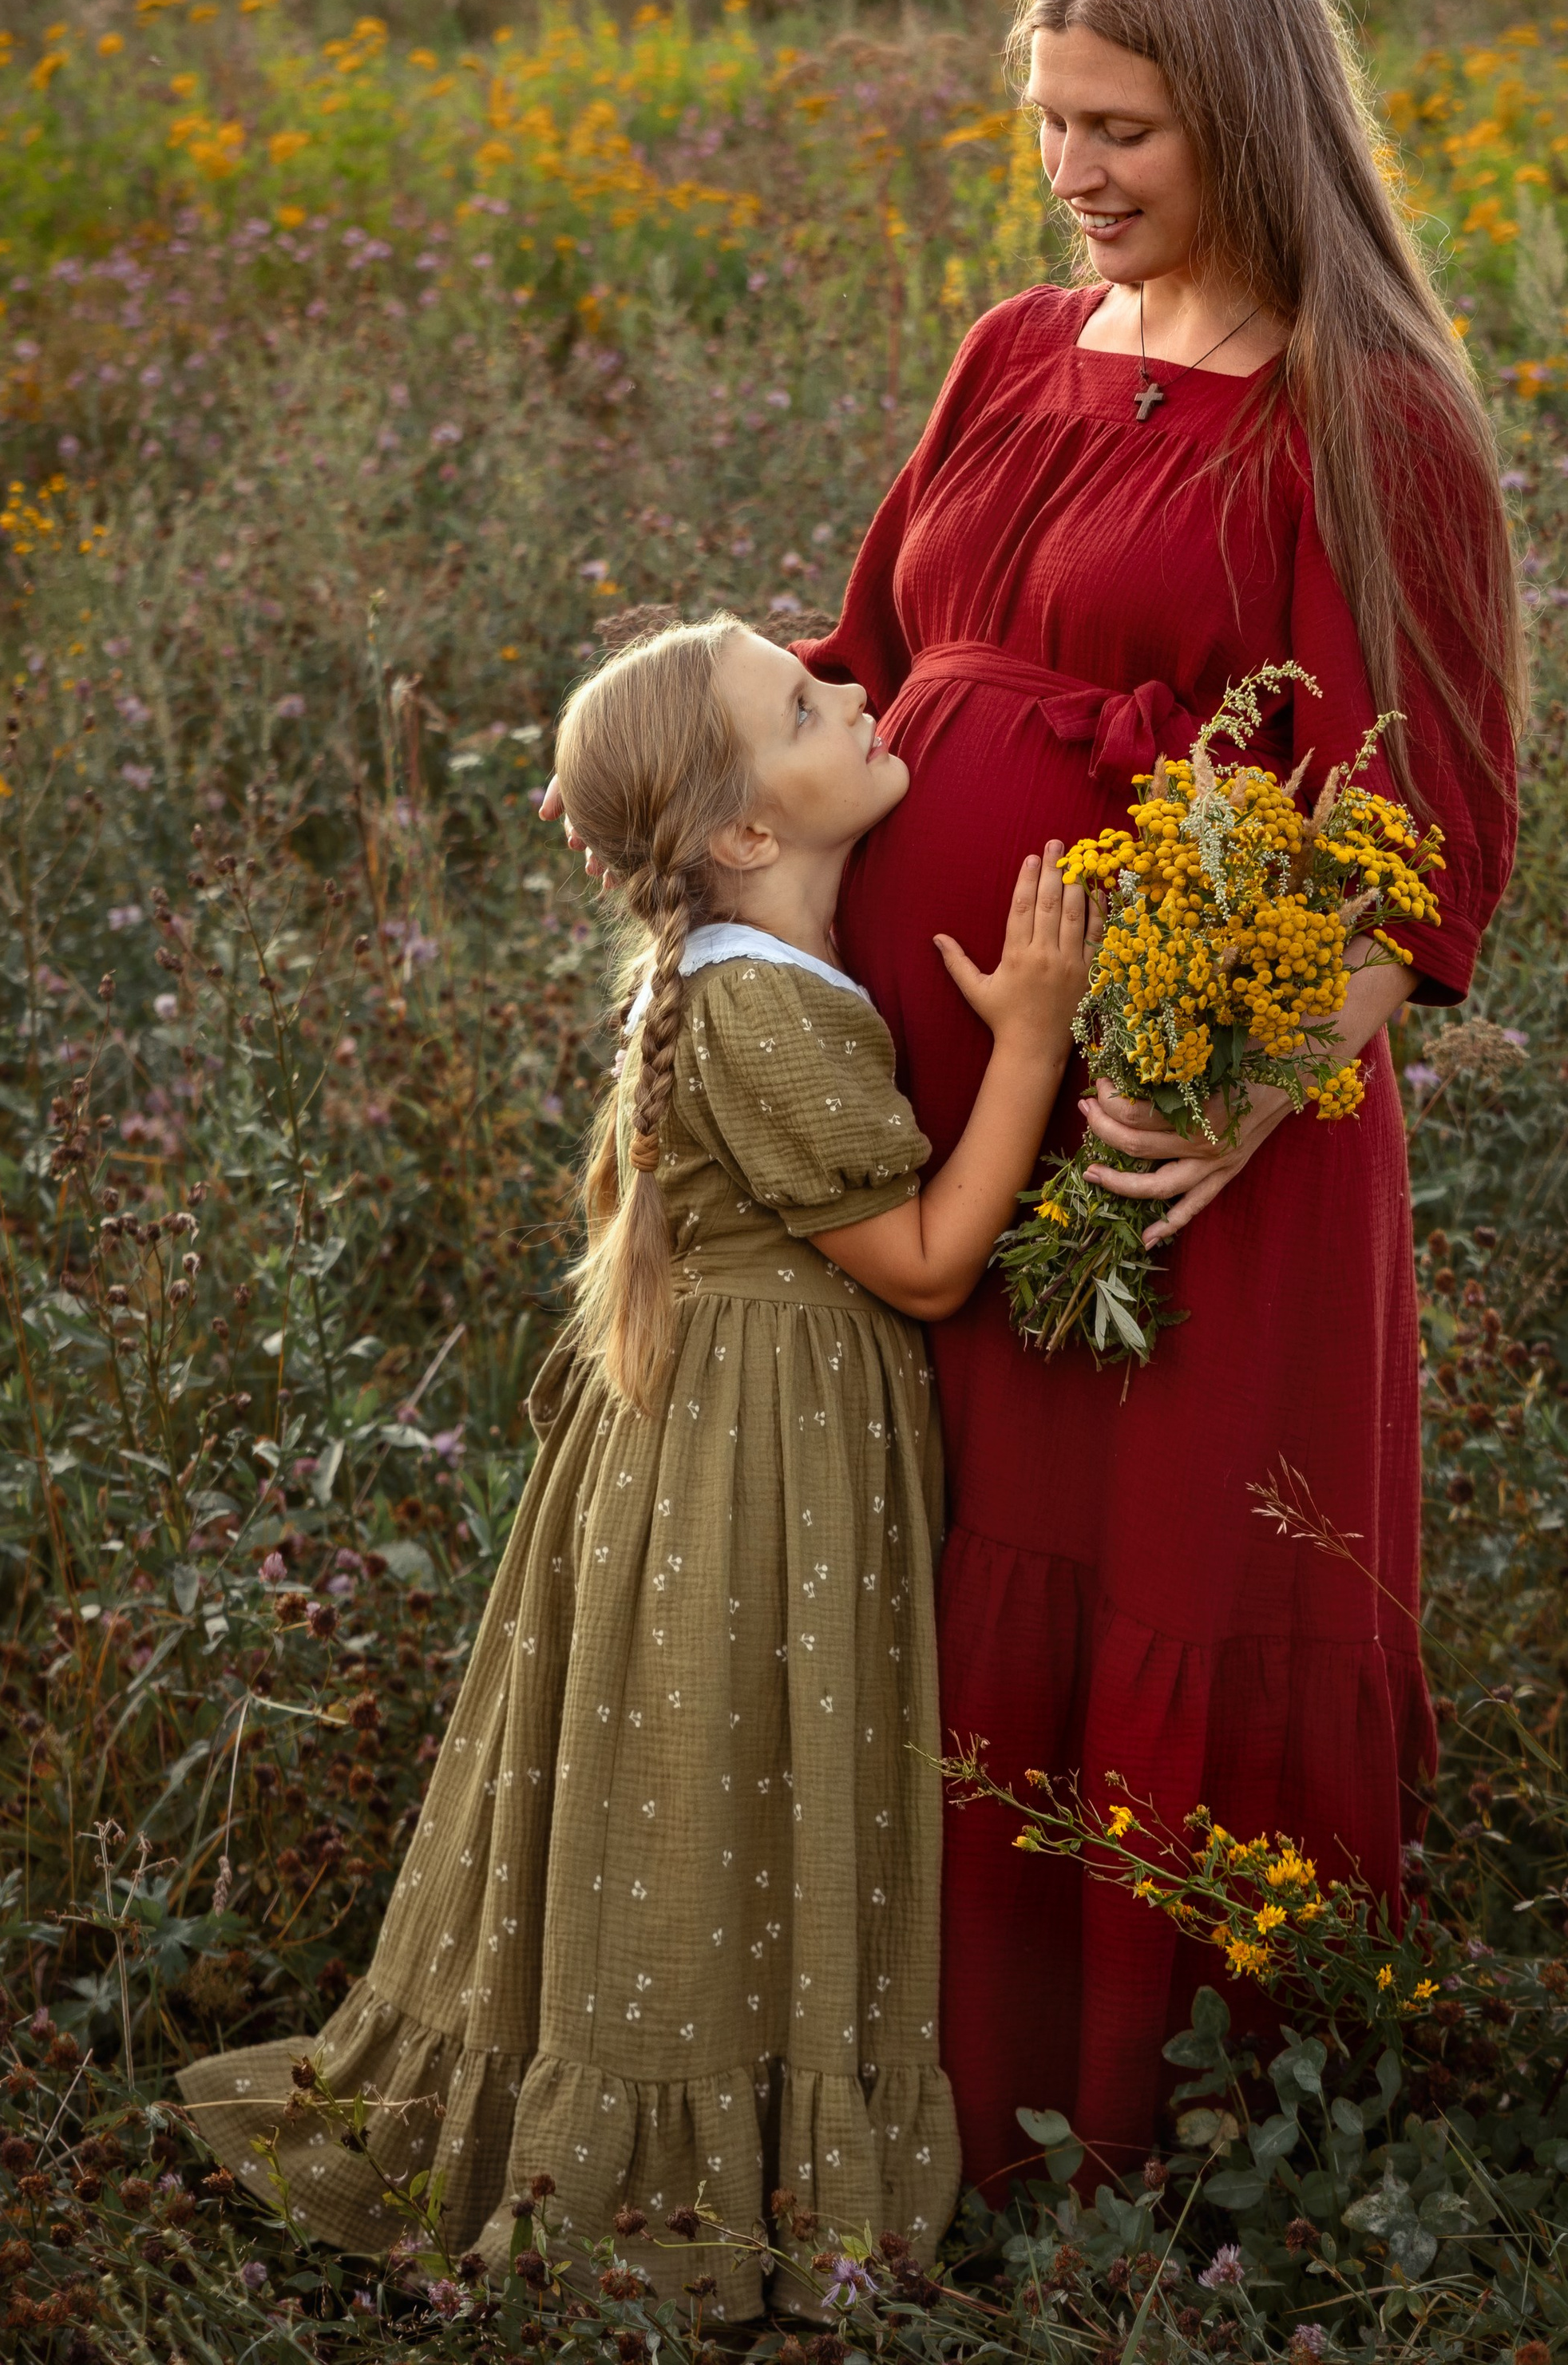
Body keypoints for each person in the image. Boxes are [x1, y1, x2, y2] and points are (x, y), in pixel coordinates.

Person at [790, 0, 1525, 2193]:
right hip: (933, 1103)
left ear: (1248, 118)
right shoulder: (1014, 349)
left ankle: (1165, 2158)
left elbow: (1431, 834)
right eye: (1049, 123)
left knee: (1143, 1580)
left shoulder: (1368, 416)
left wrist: (1238, 1085)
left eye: (1122, 129)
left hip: (1165, 1142)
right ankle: (911, 2103)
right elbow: (862, 655)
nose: (1073, 172)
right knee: (944, 1570)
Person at [180, 614, 1095, 2317]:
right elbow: (922, 1268)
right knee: (724, 1763)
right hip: (757, 1454)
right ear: (744, 830)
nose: (859, 692)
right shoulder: (760, 1005)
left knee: (725, 1763)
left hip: (743, 1430)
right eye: (810, 703)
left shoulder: (741, 974)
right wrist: (1034, 1038)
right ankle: (665, 2180)